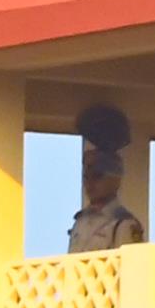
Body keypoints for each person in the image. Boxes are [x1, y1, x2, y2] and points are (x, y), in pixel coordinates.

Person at [61, 101, 145, 254]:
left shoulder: (123, 224)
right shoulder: (80, 222)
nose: (90, 183)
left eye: (97, 176)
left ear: (115, 179)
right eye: (86, 177)